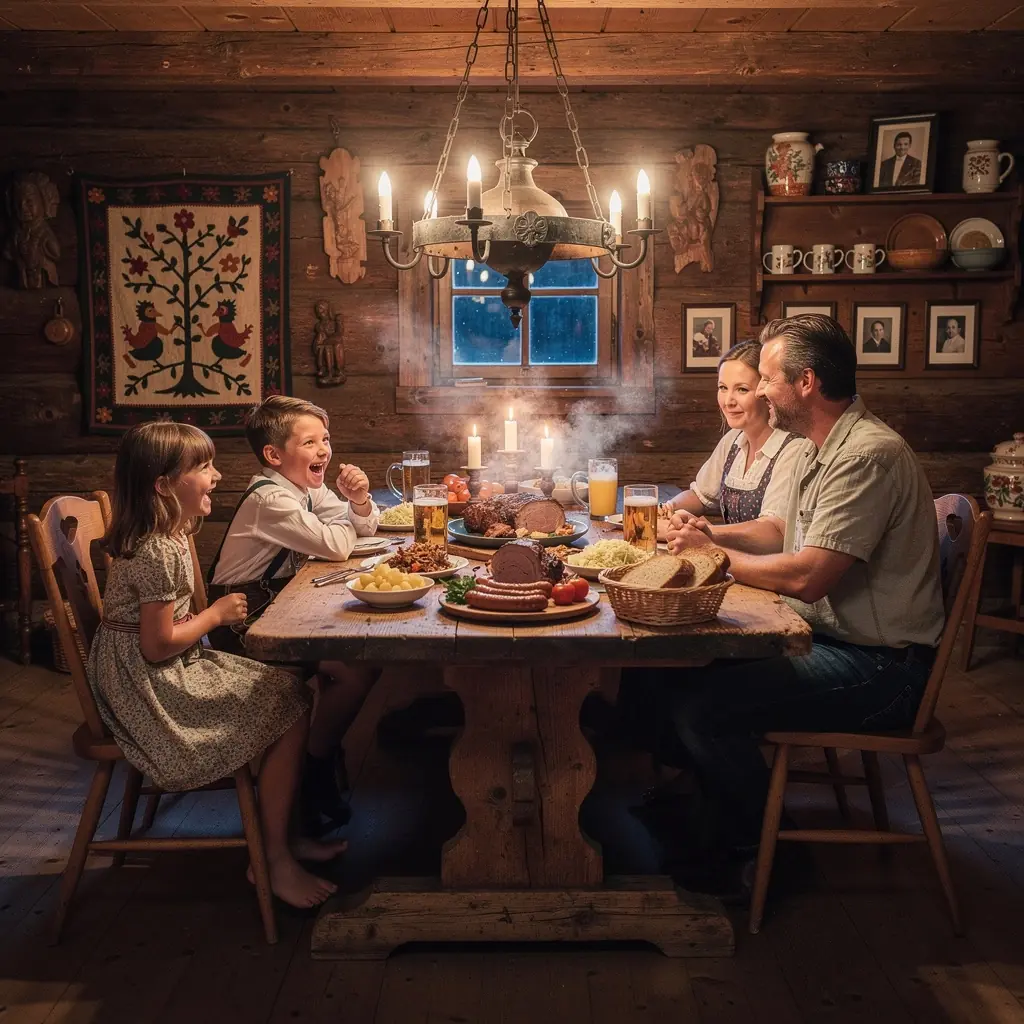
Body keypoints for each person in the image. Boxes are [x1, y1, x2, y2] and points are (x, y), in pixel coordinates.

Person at [652, 314, 944, 899]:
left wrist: (715, 555)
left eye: (765, 378)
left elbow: (810, 578)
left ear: (805, 383)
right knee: (676, 673)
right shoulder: (823, 447)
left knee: (704, 711)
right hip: (838, 639)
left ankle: (761, 849)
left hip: (884, 666)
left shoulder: (865, 456)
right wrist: (714, 539)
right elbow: (790, 546)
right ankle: (707, 822)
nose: (757, 391)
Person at [88, 421, 346, 909]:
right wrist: (214, 615)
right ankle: (272, 859)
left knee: (290, 693)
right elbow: (157, 646)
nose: (218, 475)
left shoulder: (169, 531)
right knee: (291, 704)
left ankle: (282, 838)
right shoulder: (158, 548)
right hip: (147, 685)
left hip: (157, 667)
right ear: (164, 485)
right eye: (203, 467)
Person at [207, 395, 381, 833]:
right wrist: (343, 521)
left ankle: (315, 762)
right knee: (355, 669)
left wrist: (357, 501)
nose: (324, 450)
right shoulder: (271, 499)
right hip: (243, 620)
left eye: (326, 439)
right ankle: (314, 765)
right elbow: (340, 545)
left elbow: (356, 528)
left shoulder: (305, 487)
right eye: (310, 442)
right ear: (274, 454)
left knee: (361, 666)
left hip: (278, 605)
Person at [659, 340, 803, 540]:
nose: (728, 401)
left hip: (768, 568)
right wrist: (666, 509)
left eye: (742, 389)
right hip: (732, 562)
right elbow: (700, 496)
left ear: (764, 390)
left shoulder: (793, 448)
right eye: (723, 388)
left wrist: (705, 533)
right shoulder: (733, 440)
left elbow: (773, 534)